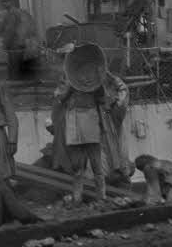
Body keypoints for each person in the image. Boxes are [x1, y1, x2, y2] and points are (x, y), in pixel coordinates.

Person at [50, 63, 130, 202]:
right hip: (104, 171)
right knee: (83, 170)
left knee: (91, 170)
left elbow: (121, 93)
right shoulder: (77, 110)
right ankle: (86, 198)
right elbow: (59, 98)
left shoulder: (110, 112)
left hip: (112, 172)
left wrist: (109, 77)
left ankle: (95, 198)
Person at [0, 0, 37, 80]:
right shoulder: (18, 12)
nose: (4, 4)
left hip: (14, 43)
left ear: (11, 2)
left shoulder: (12, 13)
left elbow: (10, 30)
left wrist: (5, 43)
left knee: (14, 67)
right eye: (3, 2)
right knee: (18, 65)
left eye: (6, 2)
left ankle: (15, 84)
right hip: (20, 43)